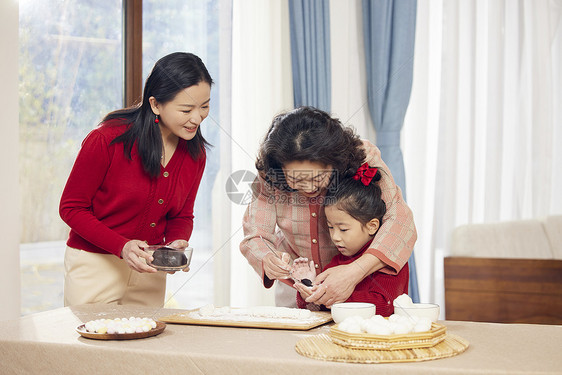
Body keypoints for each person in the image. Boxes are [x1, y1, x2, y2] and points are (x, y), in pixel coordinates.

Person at [59, 52, 212, 307]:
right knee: (95, 346)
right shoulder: (107, 139)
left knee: (144, 345)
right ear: (155, 104)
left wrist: (176, 243)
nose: (197, 118)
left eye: (205, 106)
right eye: (186, 109)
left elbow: (182, 215)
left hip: (149, 270)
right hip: (95, 266)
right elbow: (71, 208)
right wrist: (122, 246)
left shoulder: (195, 154)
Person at [240, 106, 416, 308]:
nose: (308, 187)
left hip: (362, 280)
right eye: (295, 180)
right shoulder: (271, 173)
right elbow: (255, 233)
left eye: (318, 178)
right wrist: (268, 259)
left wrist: (354, 271)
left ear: (335, 162)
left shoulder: (361, 157)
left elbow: (400, 220)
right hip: (299, 288)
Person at [292, 164, 409, 316]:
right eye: (330, 227)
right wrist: (308, 290)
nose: (335, 237)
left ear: (372, 226)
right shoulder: (337, 262)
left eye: (343, 229)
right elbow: (316, 309)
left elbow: (385, 306)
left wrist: (333, 298)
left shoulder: (388, 262)